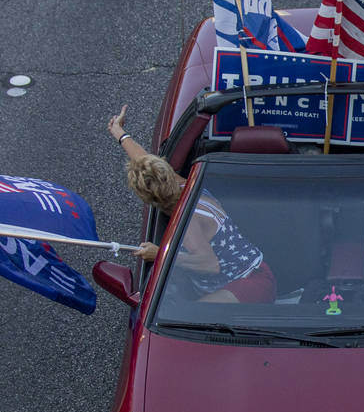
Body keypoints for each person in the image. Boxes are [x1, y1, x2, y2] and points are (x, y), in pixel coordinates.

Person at [108, 106, 276, 303]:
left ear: (148, 199)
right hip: (256, 272)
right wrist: (119, 133)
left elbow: (210, 265)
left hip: (249, 283)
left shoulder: (187, 219)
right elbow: (145, 162)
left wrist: (161, 254)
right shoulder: (181, 183)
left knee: (194, 312)